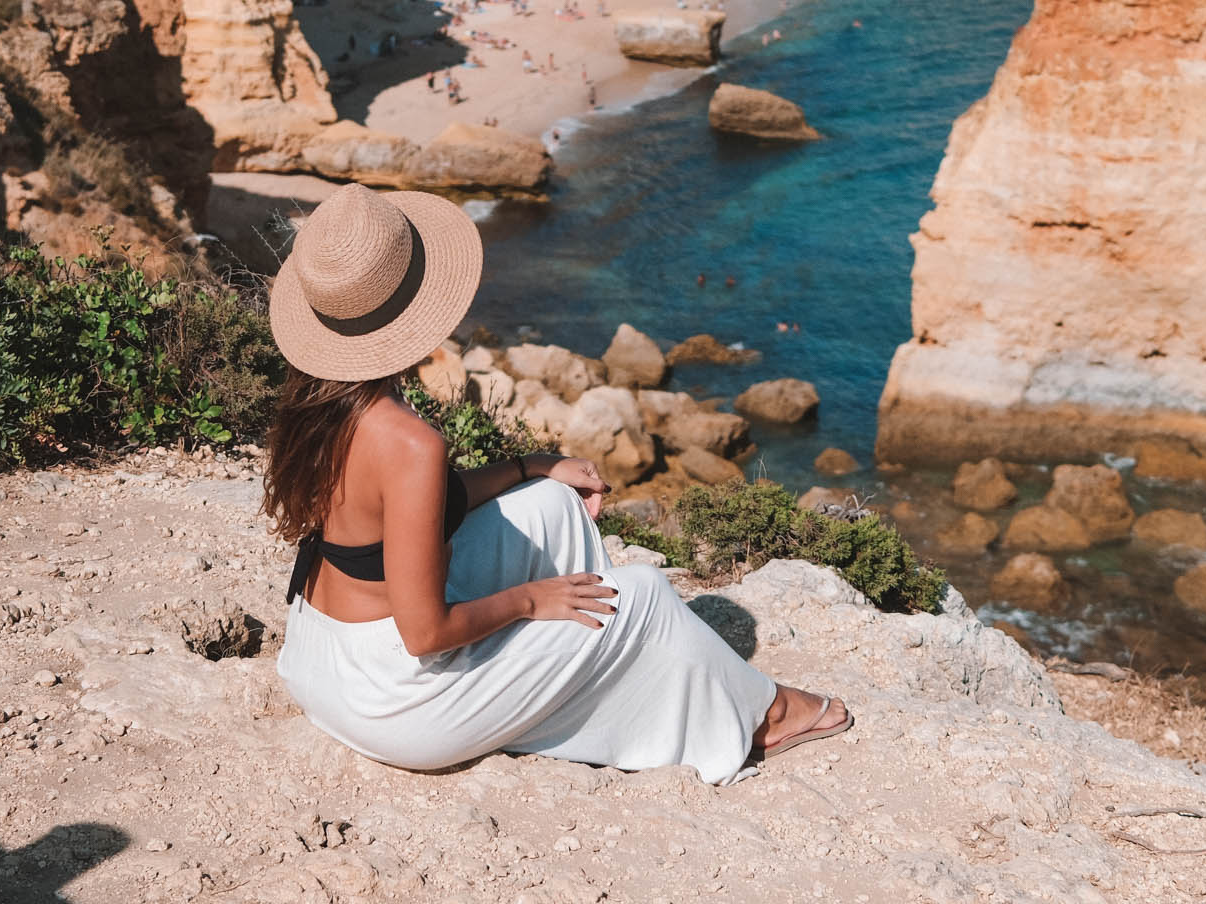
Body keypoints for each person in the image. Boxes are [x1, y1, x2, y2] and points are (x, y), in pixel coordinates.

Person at [263, 185, 850, 783]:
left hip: (323, 659)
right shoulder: (412, 444)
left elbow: (402, 510)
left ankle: (593, 684)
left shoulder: (318, 399)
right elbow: (426, 634)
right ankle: (764, 714)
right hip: (391, 702)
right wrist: (531, 601)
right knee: (642, 596)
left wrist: (533, 467)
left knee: (549, 505)